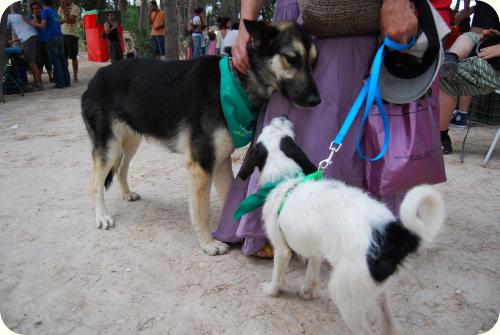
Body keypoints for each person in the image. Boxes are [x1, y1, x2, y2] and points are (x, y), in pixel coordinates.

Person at [212, 0, 444, 257]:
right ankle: (281, 226)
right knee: (290, 126)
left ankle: (348, 226)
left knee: (343, 122)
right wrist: (247, 23)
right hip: (296, 15)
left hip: (356, 17)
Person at [439, 0, 500, 153]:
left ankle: (441, 138)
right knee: (471, 35)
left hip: (493, 64)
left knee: (445, 77)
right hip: (489, 48)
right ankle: (451, 57)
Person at [25, 0, 70, 89]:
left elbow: (42, 26)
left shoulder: (45, 11)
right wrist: (64, 11)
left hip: (51, 38)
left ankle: (60, 83)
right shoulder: (53, 11)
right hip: (60, 37)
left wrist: (30, 22)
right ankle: (67, 82)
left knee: (56, 62)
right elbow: (64, 21)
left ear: (42, 3)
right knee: (62, 60)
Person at [7, 6, 43, 90]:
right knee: (34, 61)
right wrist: (12, 41)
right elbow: (22, 33)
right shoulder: (16, 16)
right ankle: (37, 82)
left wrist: (7, 42)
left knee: (31, 61)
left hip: (28, 39)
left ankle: (38, 85)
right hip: (34, 36)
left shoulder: (7, 18)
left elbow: (4, 32)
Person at [29, 1, 53, 83]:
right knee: (39, 60)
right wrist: (35, 16)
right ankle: (39, 78)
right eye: (34, 9)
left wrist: (35, 18)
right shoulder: (31, 16)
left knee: (47, 60)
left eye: (38, 8)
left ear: (41, 8)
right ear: (32, 10)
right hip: (37, 41)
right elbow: (34, 24)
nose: (36, 10)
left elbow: (40, 26)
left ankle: (51, 77)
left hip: (45, 40)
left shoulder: (44, 15)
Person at [58, 0, 81, 82]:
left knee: (73, 56)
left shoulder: (75, 8)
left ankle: (75, 75)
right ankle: (65, 74)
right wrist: (66, 17)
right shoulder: (60, 8)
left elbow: (71, 20)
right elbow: (59, 21)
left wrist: (65, 13)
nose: (63, 1)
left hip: (72, 35)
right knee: (63, 57)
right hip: (62, 34)